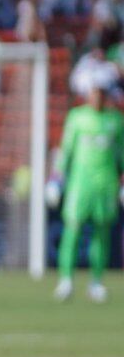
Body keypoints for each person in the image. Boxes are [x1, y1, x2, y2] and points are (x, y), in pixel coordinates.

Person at [50, 81, 123, 304]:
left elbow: (121, 155)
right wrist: (56, 180)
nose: (96, 99)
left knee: (101, 233)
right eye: (93, 94)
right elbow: (66, 150)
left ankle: (96, 283)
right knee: (72, 231)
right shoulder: (77, 118)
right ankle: (65, 280)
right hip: (79, 185)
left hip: (106, 185)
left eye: (100, 94)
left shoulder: (115, 120)